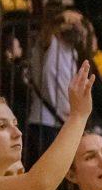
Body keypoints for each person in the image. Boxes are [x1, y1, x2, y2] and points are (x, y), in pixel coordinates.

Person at [27, 11, 91, 165]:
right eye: (70, 22)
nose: (75, 27)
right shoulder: (49, 43)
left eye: (79, 24)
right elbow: (47, 30)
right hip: (44, 122)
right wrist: (60, 18)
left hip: (64, 123)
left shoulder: (73, 53)